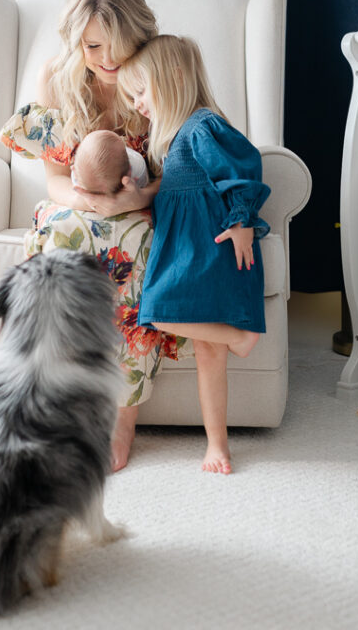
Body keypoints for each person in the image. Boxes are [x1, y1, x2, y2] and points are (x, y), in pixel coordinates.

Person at [0, 0, 183, 472]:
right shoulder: (56, 79)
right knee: (58, 240)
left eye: (118, 46)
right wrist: (94, 205)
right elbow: (55, 181)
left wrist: (134, 200)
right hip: (78, 203)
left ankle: (123, 418)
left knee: (132, 246)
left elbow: (183, 167)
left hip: (142, 204)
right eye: (93, 47)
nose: (107, 60)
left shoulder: (157, 72)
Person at [119, 34, 270, 475]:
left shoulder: (203, 126)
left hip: (211, 250)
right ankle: (216, 445)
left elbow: (242, 169)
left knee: (162, 316)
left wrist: (242, 221)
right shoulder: (172, 138)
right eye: (132, 95)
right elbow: (174, 191)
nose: (138, 103)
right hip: (185, 252)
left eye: (141, 91)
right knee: (200, 344)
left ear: (175, 78)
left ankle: (219, 438)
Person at [71, 129, 148, 196]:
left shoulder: (78, 178)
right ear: (129, 172)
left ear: (73, 169)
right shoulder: (138, 167)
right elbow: (144, 184)